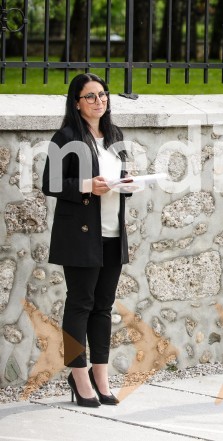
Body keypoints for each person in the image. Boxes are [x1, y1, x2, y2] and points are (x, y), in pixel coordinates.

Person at [42, 73, 131, 407]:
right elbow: (50, 182)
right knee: (80, 304)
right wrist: (85, 186)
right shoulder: (65, 136)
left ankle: (100, 375)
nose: (99, 101)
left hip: (112, 231)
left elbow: (120, 176)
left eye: (103, 94)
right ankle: (78, 376)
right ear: (76, 103)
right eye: (91, 96)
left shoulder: (115, 135)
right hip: (79, 234)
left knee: (103, 307)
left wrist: (128, 184)